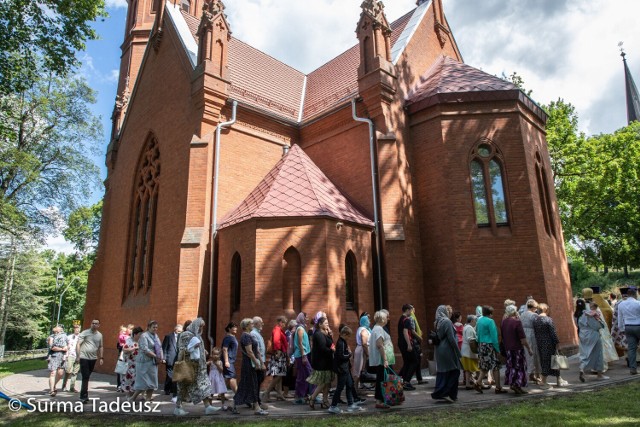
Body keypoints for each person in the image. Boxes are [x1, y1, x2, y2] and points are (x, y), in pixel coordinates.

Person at [174, 317, 221, 416]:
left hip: (199, 368)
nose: (201, 329)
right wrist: (193, 348)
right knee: (183, 387)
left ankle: (208, 407)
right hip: (188, 367)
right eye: (200, 326)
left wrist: (203, 351)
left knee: (203, 386)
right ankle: (178, 408)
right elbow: (183, 349)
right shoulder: (186, 334)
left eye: (202, 327)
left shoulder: (197, 336)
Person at [231, 318, 268, 415]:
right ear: (247, 326)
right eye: (251, 323)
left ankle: (236, 404)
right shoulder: (245, 336)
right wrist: (256, 363)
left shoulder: (250, 335)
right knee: (252, 384)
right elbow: (250, 352)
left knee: (247, 385)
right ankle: (256, 408)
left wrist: (261, 362)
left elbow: (257, 351)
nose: (253, 325)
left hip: (252, 363)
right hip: (248, 364)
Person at [328, 325, 364, 413]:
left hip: (345, 368)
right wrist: (349, 355)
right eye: (348, 336)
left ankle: (351, 404)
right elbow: (341, 356)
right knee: (340, 387)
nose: (349, 338)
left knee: (350, 384)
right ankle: (333, 406)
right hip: (342, 369)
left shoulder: (342, 341)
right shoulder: (341, 343)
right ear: (344, 334)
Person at [431, 305, 462, 403]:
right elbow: (451, 339)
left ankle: (451, 395)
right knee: (455, 371)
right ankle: (444, 392)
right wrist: (458, 352)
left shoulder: (437, 322)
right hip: (448, 349)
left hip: (440, 349)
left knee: (444, 371)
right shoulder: (447, 321)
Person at [533, 303, 567, 388]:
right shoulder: (548, 320)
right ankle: (543, 381)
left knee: (547, 360)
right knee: (551, 361)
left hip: (540, 343)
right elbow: (553, 333)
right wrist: (558, 344)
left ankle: (559, 378)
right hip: (549, 343)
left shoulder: (535, 320)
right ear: (546, 310)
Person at [502, 305, 533, 394]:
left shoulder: (504, 322)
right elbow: (523, 339)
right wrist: (529, 349)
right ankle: (517, 385)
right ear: (515, 312)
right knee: (519, 367)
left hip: (508, 348)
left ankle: (512, 383)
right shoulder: (517, 322)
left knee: (511, 366)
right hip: (517, 349)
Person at [474, 306, 506, 394]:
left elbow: (477, 333)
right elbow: (494, 337)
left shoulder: (479, 321)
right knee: (495, 366)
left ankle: (478, 382)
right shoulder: (490, 321)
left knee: (485, 365)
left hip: (481, 345)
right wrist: (497, 349)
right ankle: (498, 387)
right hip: (489, 345)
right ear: (491, 314)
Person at [129, 320, 161, 402]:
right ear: (149, 327)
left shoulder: (155, 336)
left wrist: (161, 357)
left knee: (152, 382)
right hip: (144, 361)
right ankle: (132, 398)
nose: (155, 329)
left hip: (152, 362)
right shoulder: (144, 336)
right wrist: (156, 356)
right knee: (143, 382)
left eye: (156, 327)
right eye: (153, 327)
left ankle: (148, 400)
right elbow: (145, 349)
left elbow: (159, 347)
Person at [307, 316, 334, 409]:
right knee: (322, 382)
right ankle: (312, 398)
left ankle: (325, 401)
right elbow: (323, 348)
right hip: (321, 362)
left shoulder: (325, 333)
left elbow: (331, 343)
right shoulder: (318, 334)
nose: (327, 325)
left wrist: (330, 335)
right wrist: (332, 350)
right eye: (325, 323)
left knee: (327, 382)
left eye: (327, 323)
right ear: (320, 324)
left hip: (327, 361)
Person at [578, 302, 608, 382]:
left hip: (583, 335)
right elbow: (598, 326)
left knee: (585, 353)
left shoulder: (581, 315)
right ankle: (600, 374)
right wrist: (601, 323)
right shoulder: (593, 315)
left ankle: (582, 368)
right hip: (593, 335)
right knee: (598, 354)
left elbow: (579, 325)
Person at [368, 310, 392, 409]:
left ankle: (382, 399)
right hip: (381, 360)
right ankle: (380, 400)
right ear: (382, 319)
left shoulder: (376, 328)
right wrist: (385, 359)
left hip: (381, 359)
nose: (387, 319)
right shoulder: (379, 329)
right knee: (381, 379)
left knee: (381, 378)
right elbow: (380, 345)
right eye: (386, 317)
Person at [76, 319, 104, 403]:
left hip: (93, 358)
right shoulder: (85, 332)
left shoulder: (99, 335)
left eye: (96, 323)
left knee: (87, 376)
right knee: (85, 376)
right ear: (91, 324)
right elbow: (78, 344)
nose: (94, 325)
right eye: (93, 323)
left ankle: (85, 394)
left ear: (99, 325)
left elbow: (101, 346)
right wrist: (78, 356)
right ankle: (83, 396)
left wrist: (101, 357)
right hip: (84, 357)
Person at [263, 316, 288, 402]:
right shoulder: (277, 329)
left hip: (280, 354)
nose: (284, 325)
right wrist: (278, 351)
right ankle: (267, 392)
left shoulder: (278, 329)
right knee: (279, 375)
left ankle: (279, 394)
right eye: (284, 322)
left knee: (279, 375)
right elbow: (276, 341)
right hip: (279, 354)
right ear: (280, 322)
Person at [616, 286, 640, 375]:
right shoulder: (638, 303)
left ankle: (633, 368)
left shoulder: (621, 304)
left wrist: (621, 328)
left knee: (631, 348)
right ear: (635, 294)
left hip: (628, 326)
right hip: (638, 325)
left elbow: (620, 317)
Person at [397, 304, 418, 390]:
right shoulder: (406, 320)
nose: (412, 312)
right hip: (406, 343)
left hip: (401, 342)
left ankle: (401, 380)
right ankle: (407, 381)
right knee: (415, 361)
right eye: (411, 310)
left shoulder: (401, 319)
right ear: (407, 310)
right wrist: (409, 344)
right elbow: (405, 332)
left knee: (407, 362)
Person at [520, 298, 541, 384]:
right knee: (535, 354)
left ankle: (530, 373)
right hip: (532, 334)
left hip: (524, 334)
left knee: (527, 354)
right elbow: (538, 326)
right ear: (533, 307)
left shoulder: (522, 314)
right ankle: (536, 374)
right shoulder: (534, 315)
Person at [293, 312, 312, 404]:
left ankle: (302, 395)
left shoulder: (302, 328)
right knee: (309, 374)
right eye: (306, 317)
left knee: (304, 375)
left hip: (302, 354)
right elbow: (300, 343)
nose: (307, 319)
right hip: (301, 355)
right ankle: (306, 396)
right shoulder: (300, 329)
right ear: (301, 318)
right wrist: (304, 356)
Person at [250, 316, 268, 410]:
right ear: (256, 323)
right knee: (257, 382)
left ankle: (256, 401)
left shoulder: (257, 333)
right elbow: (256, 350)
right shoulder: (253, 334)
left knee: (259, 381)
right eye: (261, 322)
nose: (263, 324)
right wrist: (261, 363)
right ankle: (256, 402)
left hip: (260, 360)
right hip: (258, 362)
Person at [121, 326, 143, 396]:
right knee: (130, 381)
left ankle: (133, 397)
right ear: (135, 334)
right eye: (139, 334)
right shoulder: (129, 341)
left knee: (137, 382)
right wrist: (135, 348)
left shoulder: (141, 341)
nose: (140, 336)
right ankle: (129, 397)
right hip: (131, 365)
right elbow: (124, 350)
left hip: (139, 365)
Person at [162, 323, 183, 398]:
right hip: (170, 358)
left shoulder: (182, 338)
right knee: (169, 375)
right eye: (179, 331)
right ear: (175, 330)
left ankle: (174, 389)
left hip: (178, 359)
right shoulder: (168, 337)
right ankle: (167, 389)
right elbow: (164, 348)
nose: (180, 333)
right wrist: (164, 358)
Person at [352, 312, 371, 394]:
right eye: (368, 320)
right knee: (359, 370)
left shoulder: (361, 328)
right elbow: (364, 343)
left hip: (360, 350)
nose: (369, 321)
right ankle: (355, 390)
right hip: (362, 351)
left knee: (358, 370)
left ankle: (356, 389)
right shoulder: (364, 330)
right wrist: (368, 354)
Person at [48, 326, 68, 396]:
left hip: (62, 357)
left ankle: (54, 385)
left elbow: (68, 345)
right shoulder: (51, 337)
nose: (61, 328)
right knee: (53, 373)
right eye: (60, 328)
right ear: (56, 330)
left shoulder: (65, 336)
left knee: (60, 373)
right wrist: (62, 349)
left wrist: (66, 352)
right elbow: (52, 347)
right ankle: (52, 390)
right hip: (54, 356)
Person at [461, 315, 479, 389]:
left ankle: (468, 384)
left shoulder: (465, 327)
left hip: (465, 351)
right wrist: (477, 339)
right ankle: (479, 383)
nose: (476, 322)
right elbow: (470, 340)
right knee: (477, 368)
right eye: (475, 321)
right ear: (471, 321)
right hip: (469, 351)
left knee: (467, 369)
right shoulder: (469, 328)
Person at [62, 324, 81, 392]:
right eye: (76, 328)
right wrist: (65, 355)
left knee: (75, 372)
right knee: (68, 371)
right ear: (74, 329)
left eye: (78, 328)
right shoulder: (69, 337)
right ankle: (64, 385)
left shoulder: (81, 337)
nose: (77, 330)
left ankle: (72, 387)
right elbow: (65, 346)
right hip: (70, 355)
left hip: (78, 356)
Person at [221, 322, 239, 394]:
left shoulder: (232, 337)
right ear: (229, 328)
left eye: (236, 327)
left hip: (231, 360)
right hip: (229, 360)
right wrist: (226, 361)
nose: (235, 328)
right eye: (233, 327)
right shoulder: (228, 338)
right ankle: (237, 394)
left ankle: (221, 394)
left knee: (226, 377)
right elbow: (224, 349)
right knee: (232, 377)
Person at [116, 325, 128, 392]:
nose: (124, 333)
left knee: (125, 372)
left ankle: (123, 385)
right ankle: (119, 385)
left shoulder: (126, 339)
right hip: (121, 358)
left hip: (126, 358)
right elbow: (119, 347)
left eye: (125, 331)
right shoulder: (120, 339)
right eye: (123, 331)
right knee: (120, 372)